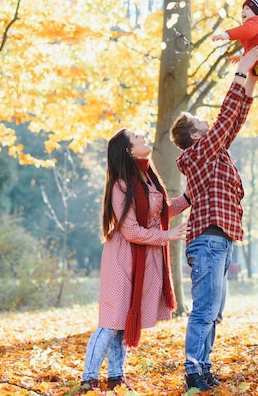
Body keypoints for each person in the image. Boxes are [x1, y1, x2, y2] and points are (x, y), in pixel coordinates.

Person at [170, 45, 258, 392]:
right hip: (207, 240)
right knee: (204, 310)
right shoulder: (198, 153)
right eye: (199, 122)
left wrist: (251, 81)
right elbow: (226, 116)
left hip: (220, 240)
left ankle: (203, 368)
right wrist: (240, 69)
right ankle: (193, 372)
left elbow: (234, 120)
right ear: (195, 135)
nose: (206, 122)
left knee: (214, 312)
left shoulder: (213, 151)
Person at [80, 129, 191, 392]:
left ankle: (116, 377)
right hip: (121, 259)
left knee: (121, 325)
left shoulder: (149, 178)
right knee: (110, 323)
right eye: (136, 137)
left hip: (144, 257)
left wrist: (188, 198)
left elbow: (162, 212)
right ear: (129, 150)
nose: (143, 136)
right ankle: (87, 379)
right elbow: (130, 230)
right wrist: (168, 235)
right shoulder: (121, 185)